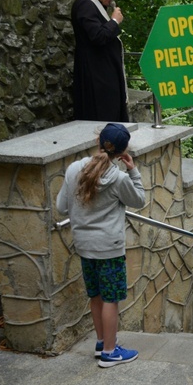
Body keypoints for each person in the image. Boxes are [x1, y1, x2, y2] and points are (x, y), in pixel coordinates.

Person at [56, 123, 145, 367]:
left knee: (96, 295)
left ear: (98, 141)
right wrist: (133, 171)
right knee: (111, 298)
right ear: (123, 151)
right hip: (109, 247)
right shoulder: (118, 178)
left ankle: (101, 342)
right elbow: (139, 200)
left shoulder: (75, 168)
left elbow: (62, 207)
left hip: (84, 245)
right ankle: (110, 351)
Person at [71, 0, 128, 122]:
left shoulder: (94, 4)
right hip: (96, 74)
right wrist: (114, 21)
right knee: (102, 114)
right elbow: (98, 36)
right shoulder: (85, 6)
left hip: (102, 71)